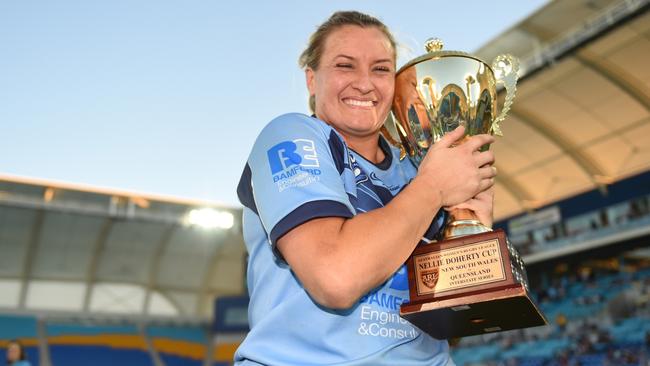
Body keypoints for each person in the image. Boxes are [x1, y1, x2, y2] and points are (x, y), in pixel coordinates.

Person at [235, 10, 496, 365]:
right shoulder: (293, 136)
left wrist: (471, 229)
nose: (364, 83)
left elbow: (453, 313)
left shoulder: (417, 167)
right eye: (345, 66)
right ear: (312, 80)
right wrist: (434, 188)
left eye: (380, 68)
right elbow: (335, 278)